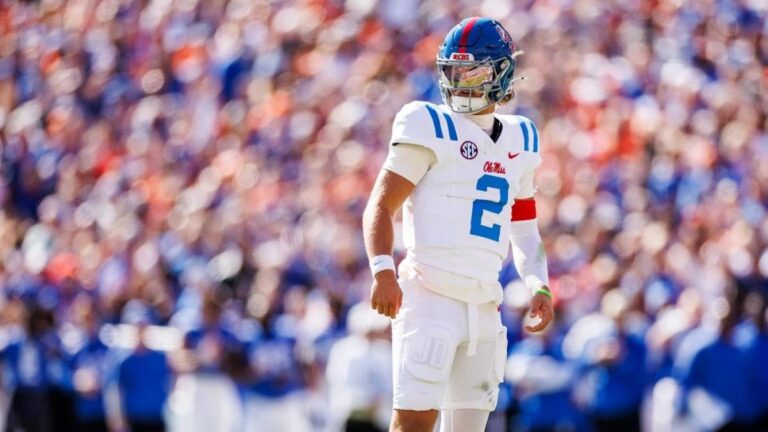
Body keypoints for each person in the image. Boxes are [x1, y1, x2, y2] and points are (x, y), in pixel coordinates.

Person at [362, 17, 554, 432]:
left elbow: (523, 228)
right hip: (430, 295)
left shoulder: (521, 137)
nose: (461, 80)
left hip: (485, 303)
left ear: (501, 72)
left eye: (474, 70)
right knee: (413, 424)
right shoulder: (427, 123)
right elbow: (381, 204)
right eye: (454, 70)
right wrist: (382, 268)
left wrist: (538, 283)